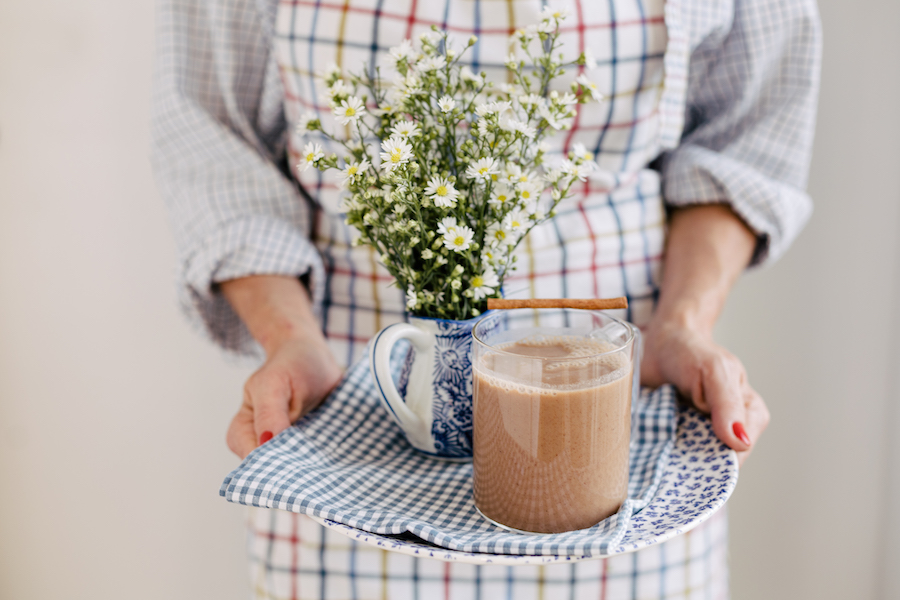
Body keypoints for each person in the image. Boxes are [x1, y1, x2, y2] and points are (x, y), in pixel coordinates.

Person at [151, 0, 821, 597]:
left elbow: (746, 137)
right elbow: (218, 149)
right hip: (351, 437)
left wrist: (683, 324)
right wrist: (290, 340)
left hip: (623, 439)